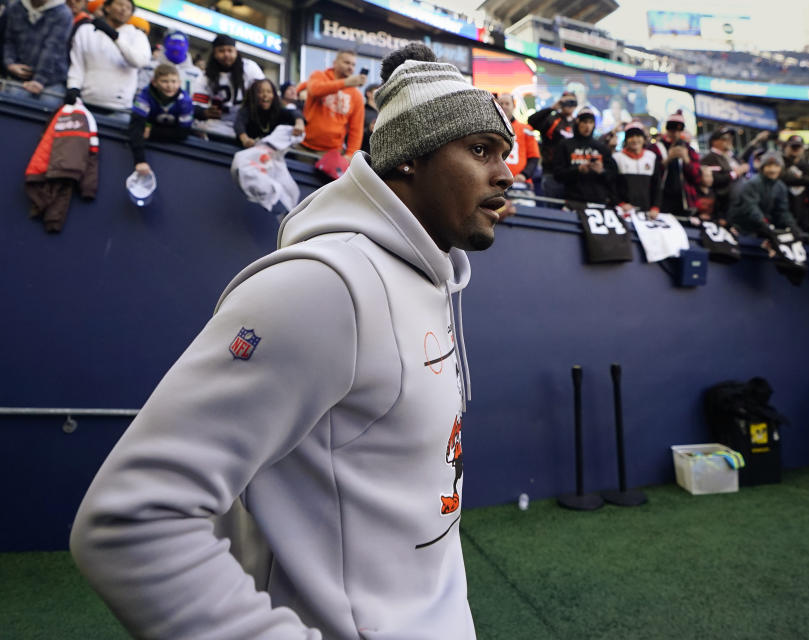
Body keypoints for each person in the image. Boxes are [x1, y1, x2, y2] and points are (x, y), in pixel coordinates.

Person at [70, 42, 514, 639]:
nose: (506, 173)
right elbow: (133, 520)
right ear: (410, 158)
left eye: (504, 152)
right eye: (481, 150)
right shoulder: (325, 286)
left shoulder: (433, 281)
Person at [65, 0, 150, 112]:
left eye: (128, 8)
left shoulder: (137, 36)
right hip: (85, 102)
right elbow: (77, 63)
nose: (123, 9)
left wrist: (115, 37)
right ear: (107, 7)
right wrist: (73, 87)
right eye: (120, 4)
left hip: (120, 108)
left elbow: (139, 61)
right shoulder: (86, 30)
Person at [193, 33, 264, 138]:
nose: (226, 54)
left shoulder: (250, 67)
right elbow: (197, 104)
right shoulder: (205, 76)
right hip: (218, 125)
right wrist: (205, 112)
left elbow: (265, 92)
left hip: (248, 124)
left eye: (230, 50)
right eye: (221, 51)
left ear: (236, 52)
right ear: (214, 54)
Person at [2, 0, 73, 105]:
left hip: (52, 80)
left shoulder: (63, 13)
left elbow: (53, 48)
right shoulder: (15, 7)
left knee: (47, 109)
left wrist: (39, 80)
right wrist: (10, 64)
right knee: (12, 106)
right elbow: (8, 40)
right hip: (18, 77)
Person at [128, 63, 193, 175]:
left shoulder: (185, 101)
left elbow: (184, 132)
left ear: (179, 83)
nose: (170, 86)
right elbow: (136, 127)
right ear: (154, 82)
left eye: (173, 81)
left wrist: (153, 132)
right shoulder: (145, 95)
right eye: (164, 81)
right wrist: (140, 160)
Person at [298, 49, 365, 157]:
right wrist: (345, 83)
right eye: (346, 62)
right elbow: (315, 90)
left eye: (353, 64)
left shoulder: (356, 95)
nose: (350, 67)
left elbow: (356, 129)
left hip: (332, 153)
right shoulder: (319, 75)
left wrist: (350, 154)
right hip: (304, 146)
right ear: (335, 63)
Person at [554, 108, 618, 206]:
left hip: (598, 201)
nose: (587, 126)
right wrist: (578, 170)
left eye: (591, 122)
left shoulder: (601, 148)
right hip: (573, 201)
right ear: (578, 123)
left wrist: (601, 171)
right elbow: (557, 174)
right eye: (584, 122)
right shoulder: (565, 145)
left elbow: (614, 176)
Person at [729, 151, 797, 238]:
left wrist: (792, 226)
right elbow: (751, 208)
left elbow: (782, 210)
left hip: (764, 226)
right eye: (768, 166)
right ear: (762, 168)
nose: (772, 170)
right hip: (745, 228)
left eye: (776, 166)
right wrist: (765, 224)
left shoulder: (780, 186)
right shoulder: (753, 183)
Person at [527, 90, 577, 199]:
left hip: (572, 173)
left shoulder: (578, 123)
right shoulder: (552, 119)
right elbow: (532, 121)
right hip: (551, 172)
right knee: (551, 208)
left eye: (572, 102)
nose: (569, 105)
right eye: (566, 101)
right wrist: (552, 108)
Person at [648, 110, 700, 215]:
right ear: (667, 129)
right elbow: (650, 175)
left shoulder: (689, 150)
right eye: (672, 129)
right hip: (661, 200)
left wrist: (686, 160)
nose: (675, 133)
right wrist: (668, 159)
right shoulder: (656, 148)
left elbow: (697, 177)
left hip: (684, 201)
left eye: (678, 130)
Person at [234, 78, 304, 148]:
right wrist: (245, 140)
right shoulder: (246, 111)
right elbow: (239, 124)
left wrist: (299, 123)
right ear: (253, 95)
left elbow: (293, 113)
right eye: (260, 92)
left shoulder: (277, 110)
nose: (265, 95)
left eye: (269, 92)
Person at [137, 31, 203, 99]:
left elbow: (198, 101)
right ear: (165, 44)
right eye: (172, 43)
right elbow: (140, 92)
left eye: (181, 44)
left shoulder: (197, 73)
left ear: (187, 46)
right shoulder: (149, 67)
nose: (177, 48)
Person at [612, 123, 661, 214]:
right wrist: (620, 203)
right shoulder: (617, 158)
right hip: (623, 211)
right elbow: (611, 185)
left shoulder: (651, 157)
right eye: (631, 136)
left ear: (644, 139)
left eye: (638, 136)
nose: (635, 139)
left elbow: (656, 185)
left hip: (647, 212)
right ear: (626, 140)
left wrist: (655, 206)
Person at [701, 128, 748, 220]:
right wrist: (735, 173)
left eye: (730, 138)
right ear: (714, 141)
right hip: (723, 205)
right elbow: (713, 180)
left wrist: (744, 169)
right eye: (725, 138)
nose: (729, 140)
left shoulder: (732, 156)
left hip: (741, 202)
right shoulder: (710, 158)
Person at [496, 93, 540, 186]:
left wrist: (524, 175)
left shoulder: (526, 129)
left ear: (514, 106)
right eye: (501, 103)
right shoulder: (491, 129)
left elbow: (534, 157)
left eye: (507, 103)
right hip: (496, 181)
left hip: (519, 182)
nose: (504, 106)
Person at [361, 81, 379, 153]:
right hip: (367, 153)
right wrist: (369, 129)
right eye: (377, 89)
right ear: (368, 94)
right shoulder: (361, 111)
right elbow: (352, 134)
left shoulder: (385, 110)